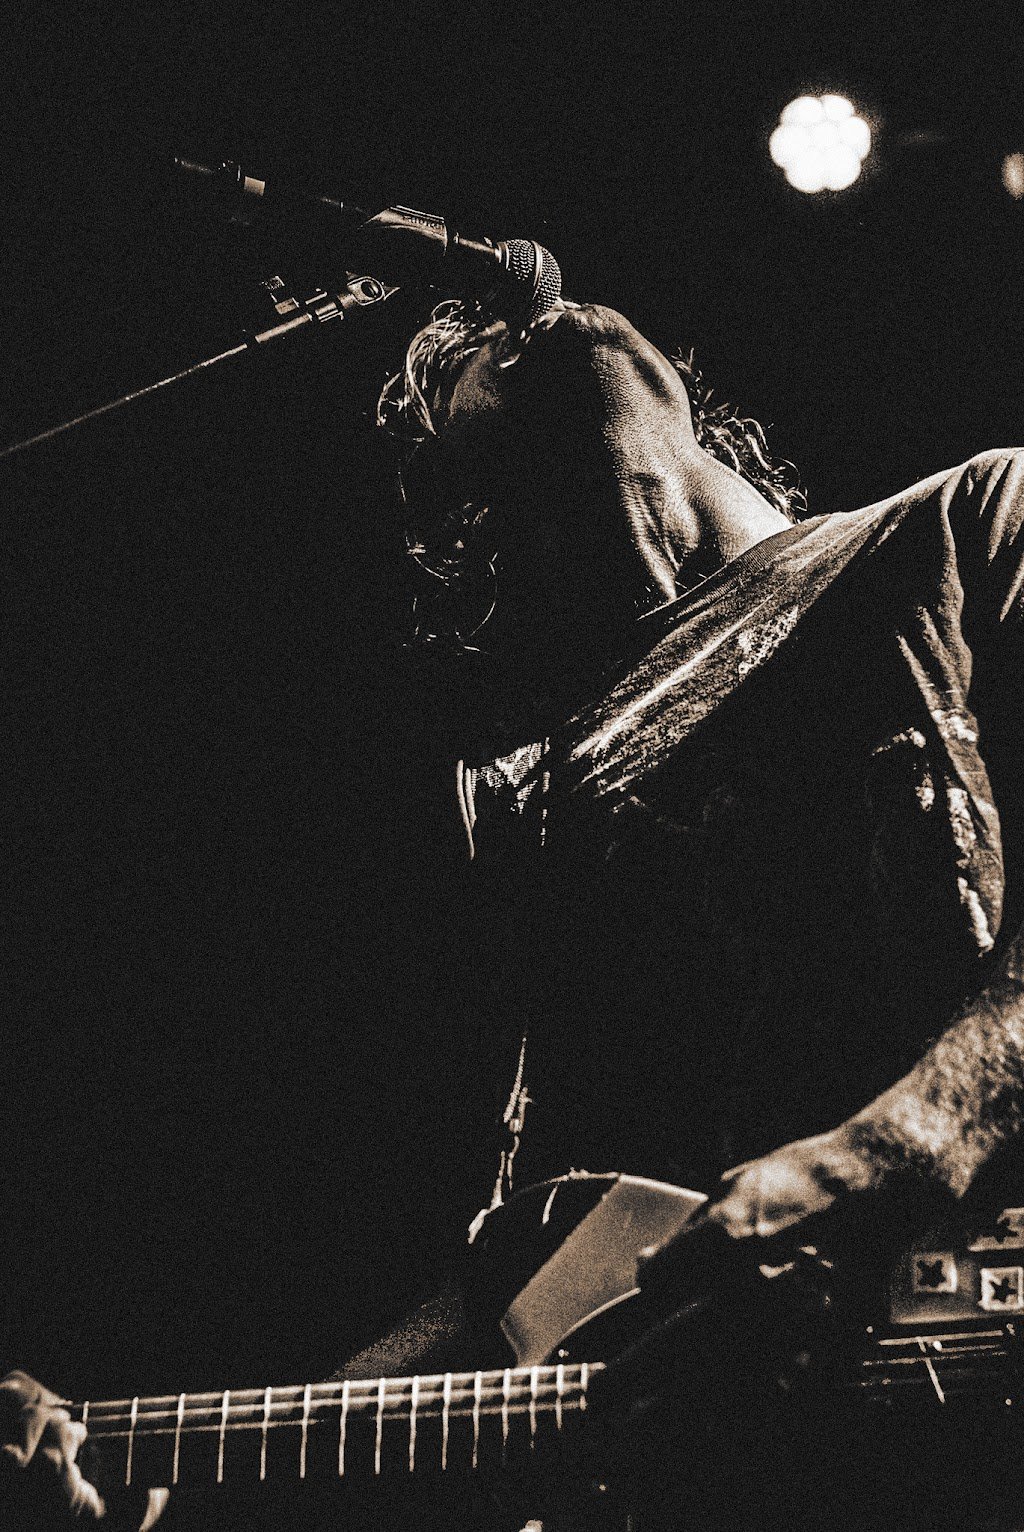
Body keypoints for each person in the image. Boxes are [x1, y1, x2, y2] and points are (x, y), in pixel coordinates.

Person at [5, 296, 1024, 1528]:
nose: (516, 314)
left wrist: (903, 1144)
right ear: (464, 519)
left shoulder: (971, 519)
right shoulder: (529, 803)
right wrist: (150, 1475)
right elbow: (539, 1269)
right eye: (455, 360)